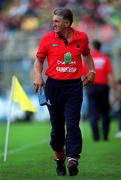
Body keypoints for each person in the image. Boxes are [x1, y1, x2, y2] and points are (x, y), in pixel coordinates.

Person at [33, 7, 95, 176]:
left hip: (74, 86)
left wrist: (91, 71)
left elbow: (87, 55)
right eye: (53, 21)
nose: (53, 24)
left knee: (73, 123)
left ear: (67, 23)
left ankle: (73, 158)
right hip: (53, 87)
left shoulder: (82, 38)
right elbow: (38, 62)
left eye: (56, 21)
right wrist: (38, 77)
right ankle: (60, 159)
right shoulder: (47, 39)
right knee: (57, 129)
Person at [83, 40, 116, 142]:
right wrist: (114, 89)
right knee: (105, 112)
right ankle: (105, 136)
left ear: (93, 47)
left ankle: (96, 137)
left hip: (91, 87)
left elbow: (84, 74)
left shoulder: (88, 59)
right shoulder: (105, 58)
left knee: (92, 112)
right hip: (103, 87)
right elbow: (110, 74)